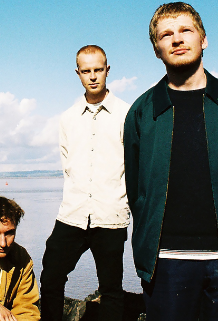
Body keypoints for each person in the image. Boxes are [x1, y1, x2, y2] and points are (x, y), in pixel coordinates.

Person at [124, 2, 218, 320]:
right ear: (157, 50)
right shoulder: (143, 111)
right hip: (166, 265)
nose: (177, 39)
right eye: (166, 35)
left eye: (186, 30)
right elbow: (136, 189)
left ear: (204, 39)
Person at [40, 45, 130, 321]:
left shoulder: (127, 114)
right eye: (86, 71)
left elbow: (133, 165)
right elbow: (68, 165)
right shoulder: (68, 118)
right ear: (77, 73)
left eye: (98, 70)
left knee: (111, 288)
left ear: (107, 70)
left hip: (110, 215)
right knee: (51, 277)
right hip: (73, 213)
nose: (93, 76)